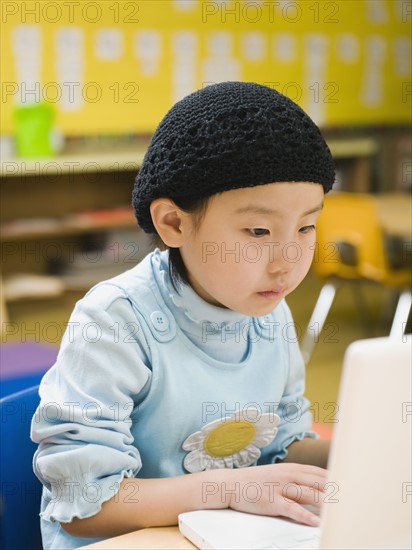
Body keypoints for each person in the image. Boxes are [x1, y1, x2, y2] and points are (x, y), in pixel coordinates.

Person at [31, 81, 335, 550]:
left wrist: (359, 446)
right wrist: (228, 489)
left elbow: (284, 445)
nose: (288, 259)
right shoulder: (115, 321)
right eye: (258, 230)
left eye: (307, 226)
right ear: (174, 223)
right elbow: (85, 504)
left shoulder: (268, 309)